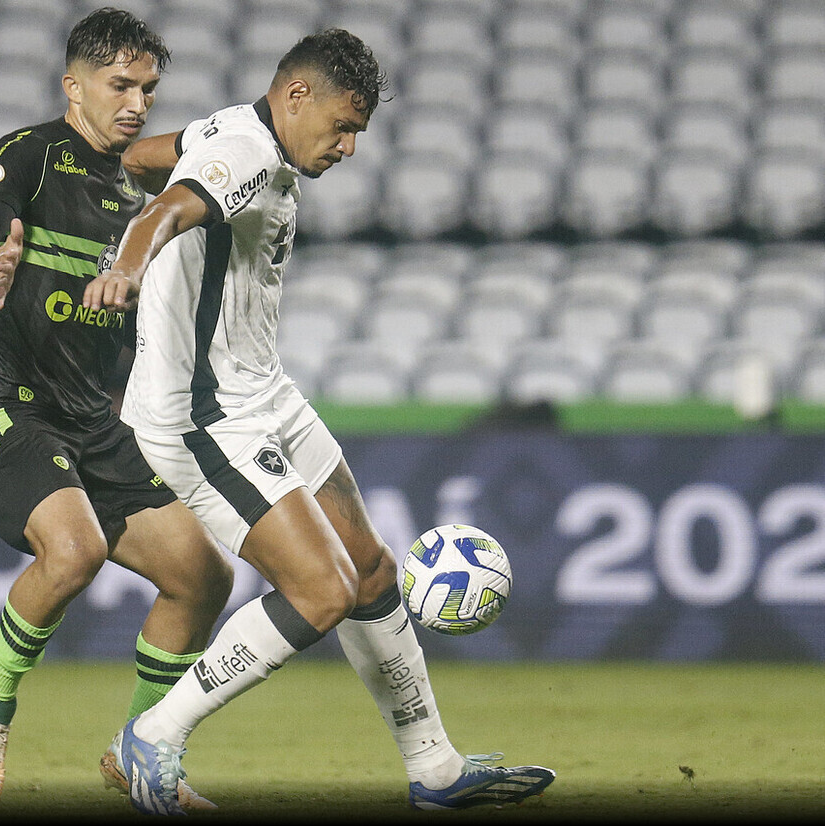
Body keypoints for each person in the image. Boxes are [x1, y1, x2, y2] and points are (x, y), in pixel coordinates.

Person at [83, 28, 556, 814]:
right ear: (295, 96)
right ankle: (152, 735)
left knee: (369, 568)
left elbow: (137, 163)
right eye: (341, 126)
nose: (346, 147)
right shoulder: (244, 151)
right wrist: (129, 264)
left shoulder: (226, 133)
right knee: (322, 589)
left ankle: (433, 766)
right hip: (203, 417)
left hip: (265, 395)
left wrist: (130, 211)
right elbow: (165, 207)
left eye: (358, 133)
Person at [0, 7, 232, 810]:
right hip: (4, 401)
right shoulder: (31, 153)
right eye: (120, 84)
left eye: (147, 86)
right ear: (74, 86)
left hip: (95, 422)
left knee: (202, 578)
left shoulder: (139, 191)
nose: (136, 100)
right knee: (70, 552)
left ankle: (139, 751)